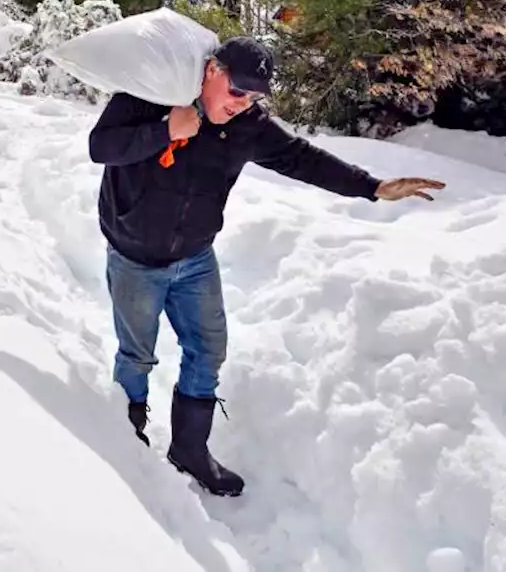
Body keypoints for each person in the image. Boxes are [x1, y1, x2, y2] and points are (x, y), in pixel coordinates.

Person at [88, 35, 445, 497]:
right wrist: (166, 130)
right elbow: (101, 146)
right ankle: (127, 443)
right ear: (211, 71)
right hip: (135, 257)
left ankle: (190, 450)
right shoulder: (149, 95)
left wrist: (372, 187)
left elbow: (301, 158)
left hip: (195, 258)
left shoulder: (247, 126)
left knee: (208, 351)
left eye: (254, 96)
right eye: (238, 91)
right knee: (136, 356)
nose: (243, 104)